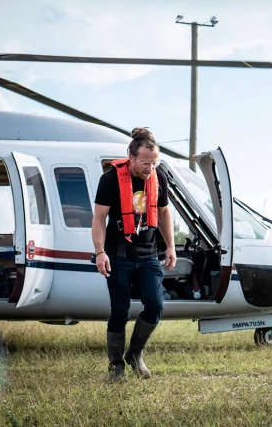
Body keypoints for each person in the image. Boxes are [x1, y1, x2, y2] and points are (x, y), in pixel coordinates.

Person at [92, 127, 177, 382]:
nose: (150, 168)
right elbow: (98, 218)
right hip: (118, 253)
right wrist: (99, 252)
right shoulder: (109, 179)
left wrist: (170, 246)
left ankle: (135, 355)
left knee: (156, 305)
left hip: (148, 253)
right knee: (120, 310)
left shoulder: (158, 177)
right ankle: (116, 365)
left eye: (155, 162)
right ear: (130, 156)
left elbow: (163, 212)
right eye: (145, 163)